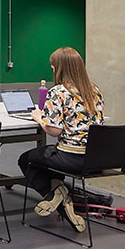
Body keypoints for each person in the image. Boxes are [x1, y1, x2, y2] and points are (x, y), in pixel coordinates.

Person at [17, 47, 105, 234]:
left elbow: (54, 131)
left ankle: (60, 199)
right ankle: (59, 191)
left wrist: (39, 117)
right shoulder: (94, 89)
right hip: (96, 159)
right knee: (45, 157)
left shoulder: (58, 92)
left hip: (72, 158)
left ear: (59, 68)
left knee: (27, 160)